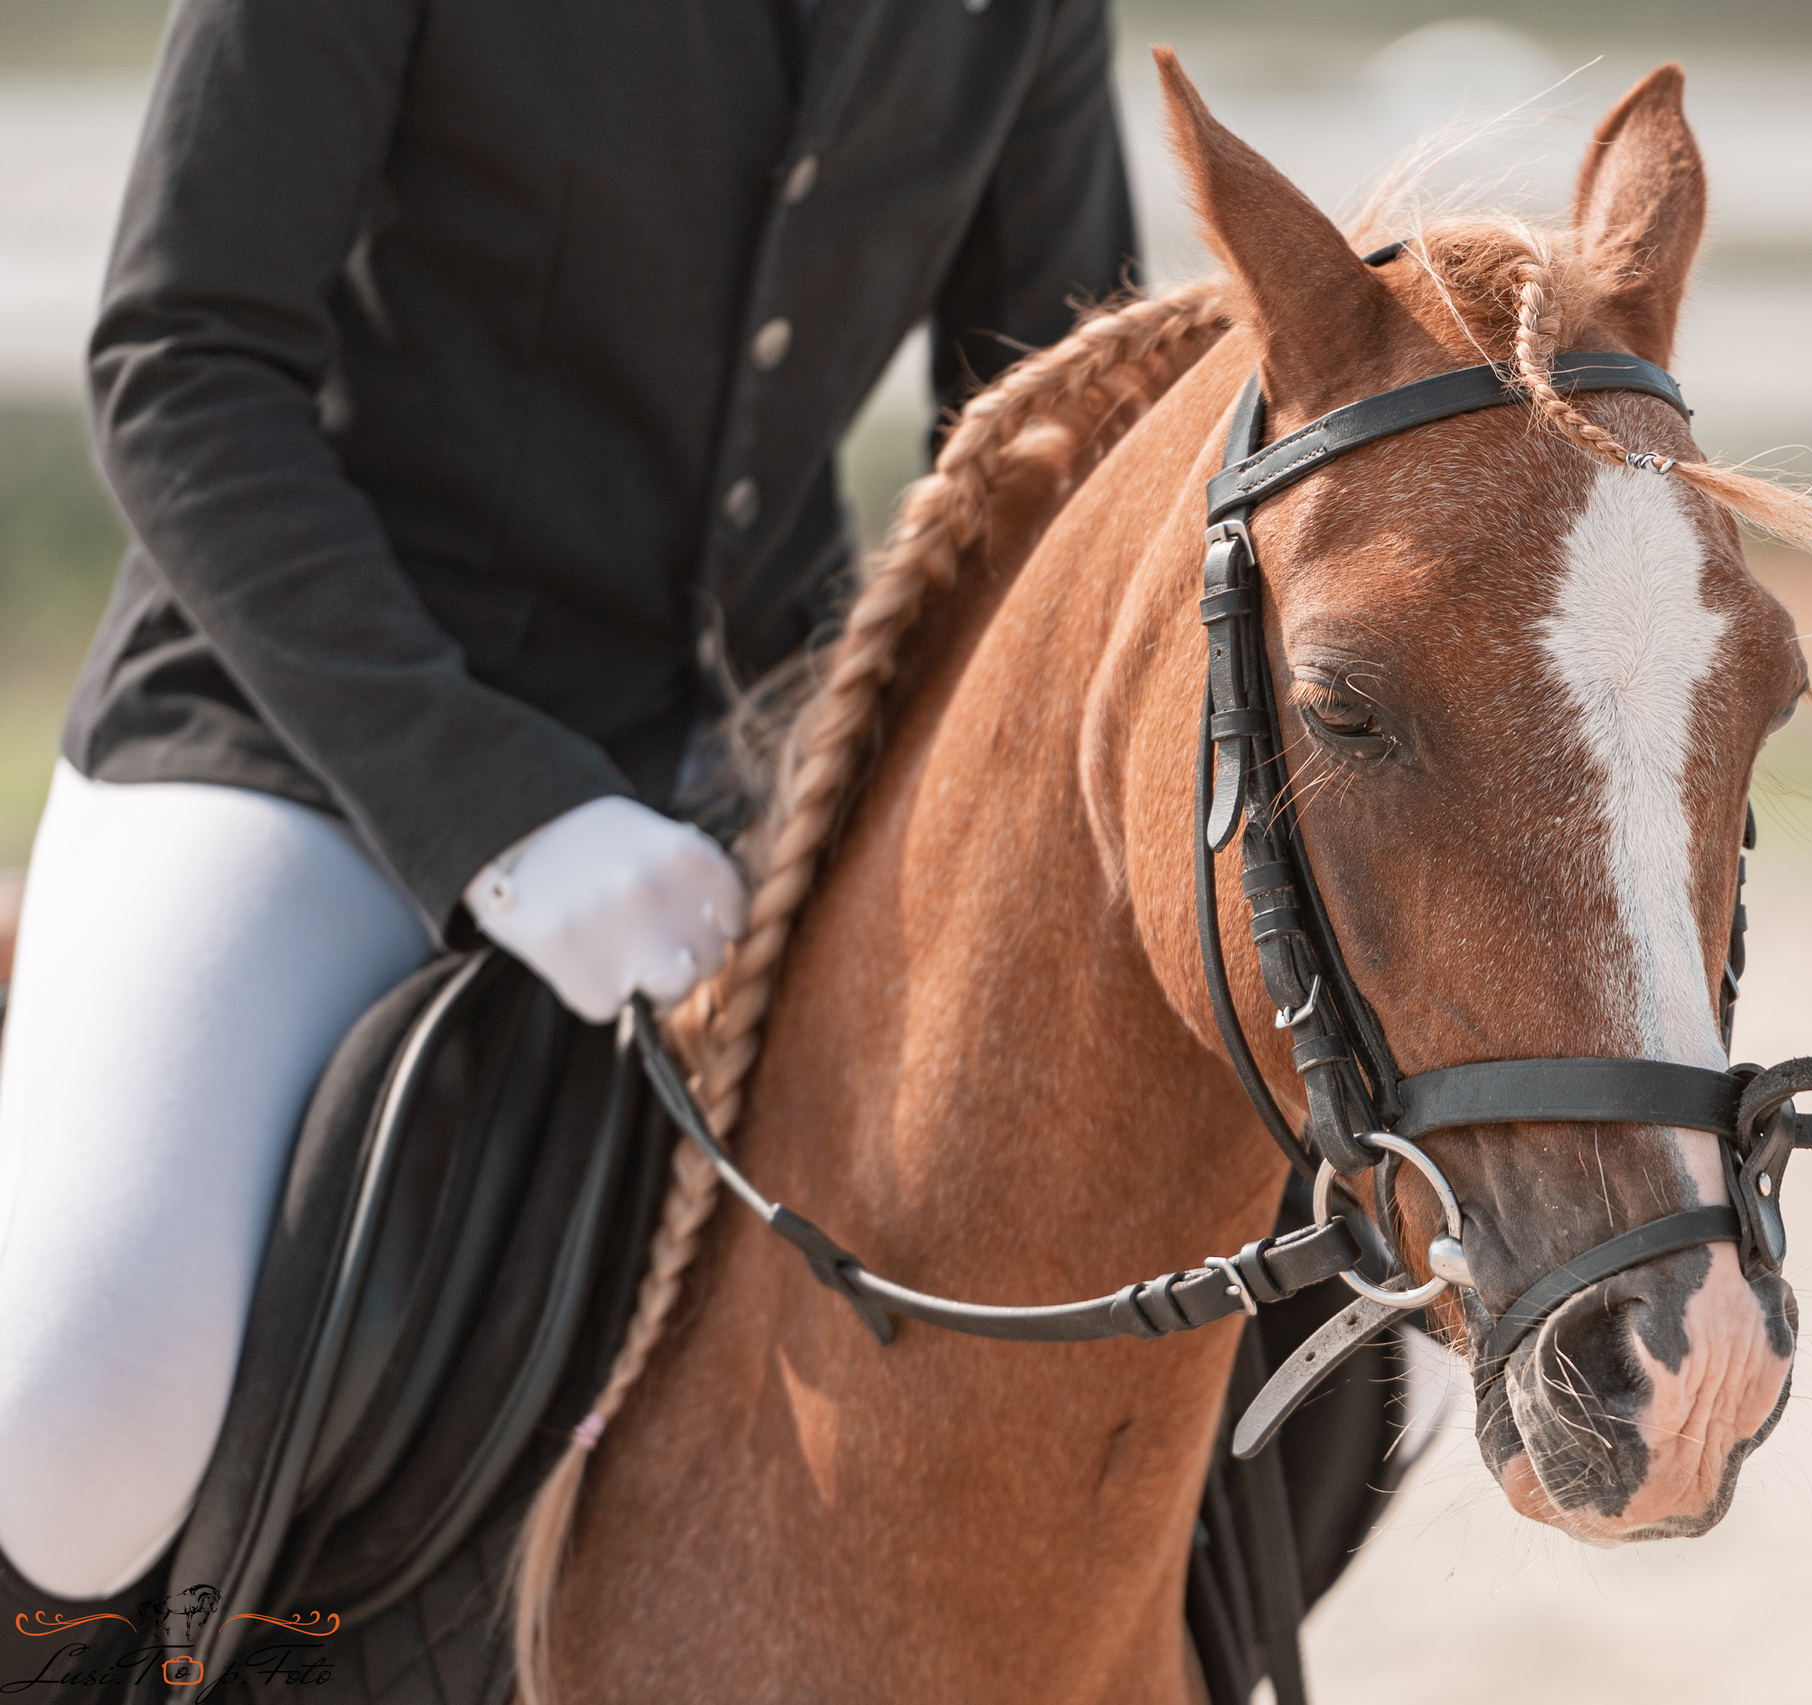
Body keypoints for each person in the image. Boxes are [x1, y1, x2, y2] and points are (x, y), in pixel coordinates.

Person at [0, 0, 1135, 1603]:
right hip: (300, 723)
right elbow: (179, 362)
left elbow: (1062, 434)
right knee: (81, 1427)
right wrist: (503, 815)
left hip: (749, 752)